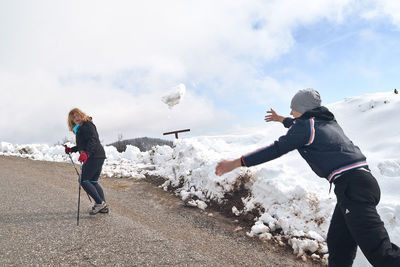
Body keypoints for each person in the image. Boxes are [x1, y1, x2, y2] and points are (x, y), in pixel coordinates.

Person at [215, 89, 400, 267]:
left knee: (381, 254)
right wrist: (281, 119)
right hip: (359, 183)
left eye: (293, 107)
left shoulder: (306, 127)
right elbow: (298, 126)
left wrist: (236, 162)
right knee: (339, 245)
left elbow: (276, 149)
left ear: (302, 109)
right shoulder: (325, 121)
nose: (290, 111)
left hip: (353, 187)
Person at [64, 108, 109, 215]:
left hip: (93, 155)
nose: (76, 118)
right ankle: (103, 206)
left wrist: (87, 153)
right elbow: (83, 144)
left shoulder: (87, 125)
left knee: (84, 180)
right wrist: (72, 149)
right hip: (98, 155)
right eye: (73, 117)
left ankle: (100, 203)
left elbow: (93, 140)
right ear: (71, 121)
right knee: (93, 181)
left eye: (77, 115)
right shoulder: (80, 128)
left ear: (81, 115)